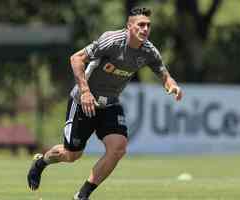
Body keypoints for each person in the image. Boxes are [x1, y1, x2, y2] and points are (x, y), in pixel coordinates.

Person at [27, 7, 183, 200]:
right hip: (84, 101)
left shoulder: (149, 51)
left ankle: (82, 195)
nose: (145, 29)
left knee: (118, 147)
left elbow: (165, 75)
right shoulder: (112, 41)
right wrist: (84, 92)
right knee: (71, 155)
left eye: (148, 25)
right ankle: (41, 163)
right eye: (140, 25)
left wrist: (172, 86)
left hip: (110, 104)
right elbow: (76, 59)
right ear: (129, 26)